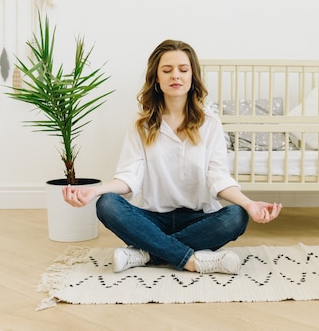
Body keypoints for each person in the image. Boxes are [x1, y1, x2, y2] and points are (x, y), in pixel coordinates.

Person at [62, 39, 282, 275]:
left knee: (236, 216)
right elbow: (128, 177)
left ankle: (146, 253)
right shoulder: (142, 125)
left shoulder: (210, 123)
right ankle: (191, 260)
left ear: (192, 76)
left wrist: (249, 204)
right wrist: (95, 190)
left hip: (198, 219)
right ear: (156, 78)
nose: (175, 75)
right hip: (152, 218)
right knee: (106, 204)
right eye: (167, 70)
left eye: (183, 70)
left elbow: (218, 177)